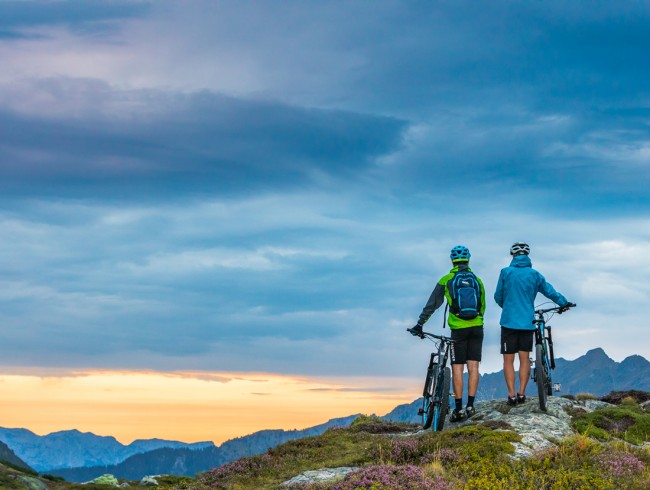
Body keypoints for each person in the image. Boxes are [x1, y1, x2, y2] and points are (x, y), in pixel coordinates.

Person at [411, 245, 486, 422]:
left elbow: (432, 305)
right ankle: (471, 406)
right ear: (468, 260)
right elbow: (482, 306)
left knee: (457, 368)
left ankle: (459, 408)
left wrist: (420, 323)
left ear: (452, 260)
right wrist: (477, 319)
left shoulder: (447, 279)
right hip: (477, 327)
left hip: (458, 330)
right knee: (474, 367)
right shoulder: (477, 280)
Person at [494, 242, 572, 406]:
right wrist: (563, 303)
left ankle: (511, 395)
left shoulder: (505, 272)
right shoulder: (535, 274)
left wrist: (507, 307)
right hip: (527, 322)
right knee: (524, 358)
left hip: (508, 322)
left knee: (508, 360)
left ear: (513, 256)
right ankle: (522, 393)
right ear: (527, 256)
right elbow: (550, 291)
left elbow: (497, 296)